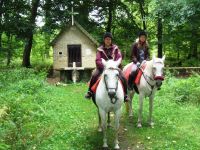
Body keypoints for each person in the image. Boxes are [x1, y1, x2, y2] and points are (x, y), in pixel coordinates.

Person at [85, 32, 129, 102]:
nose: (108, 41)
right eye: (106, 39)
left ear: (111, 40)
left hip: (114, 68)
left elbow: (119, 57)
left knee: (123, 77)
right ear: (104, 40)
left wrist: (115, 65)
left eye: (109, 39)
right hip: (103, 68)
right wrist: (104, 66)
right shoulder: (100, 49)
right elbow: (98, 60)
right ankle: (90, 92)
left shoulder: (115, 48)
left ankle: (125, 95)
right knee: (94, 75)